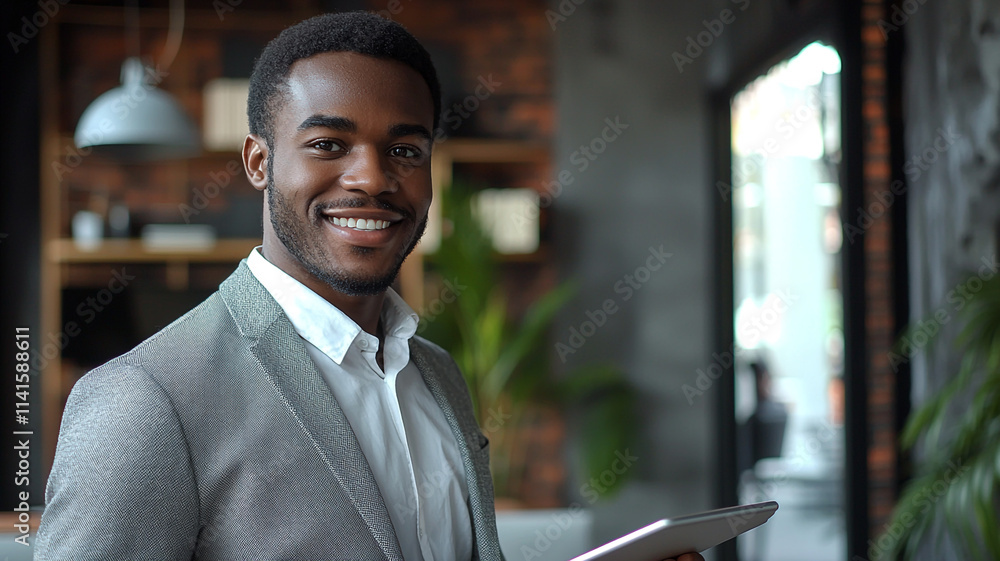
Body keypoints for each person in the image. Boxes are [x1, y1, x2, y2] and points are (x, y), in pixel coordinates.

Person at [35, 10, 703, 561]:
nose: (374, 178)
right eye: (329, 144)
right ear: (259, 162)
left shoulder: (437, 375)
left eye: (405, 150)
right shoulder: (144, 399)